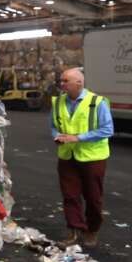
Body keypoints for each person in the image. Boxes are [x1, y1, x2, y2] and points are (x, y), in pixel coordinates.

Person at [51, 68, 113, 247]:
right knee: (70, 195)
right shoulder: (58, 102)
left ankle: (92, 229)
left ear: (79, 83)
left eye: (65, 81)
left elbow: (107, 130)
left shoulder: (97, 102)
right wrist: (57, 136)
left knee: (93, 197)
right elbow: (54, 126)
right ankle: (73, 231)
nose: (61, 84)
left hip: (92, 157)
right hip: (67, 156)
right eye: (61, 81)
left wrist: (77, 138)